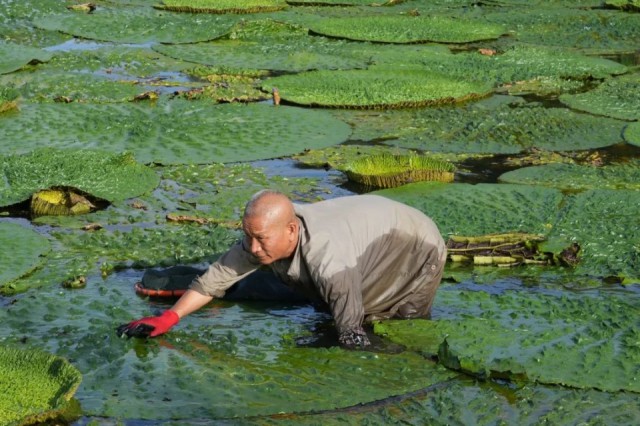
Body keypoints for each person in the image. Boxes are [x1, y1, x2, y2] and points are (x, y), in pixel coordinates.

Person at [117, 190, 447, 349]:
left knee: (385, 323)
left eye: (260, 239)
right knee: (322, 303)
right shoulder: (261, 239)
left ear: (291, 231)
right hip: (365, 234)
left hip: (416, 247)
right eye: (247, 237)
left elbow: (350, 332)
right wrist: (168, 319)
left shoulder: (328, 257)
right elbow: (212, 282)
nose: (253, 248)